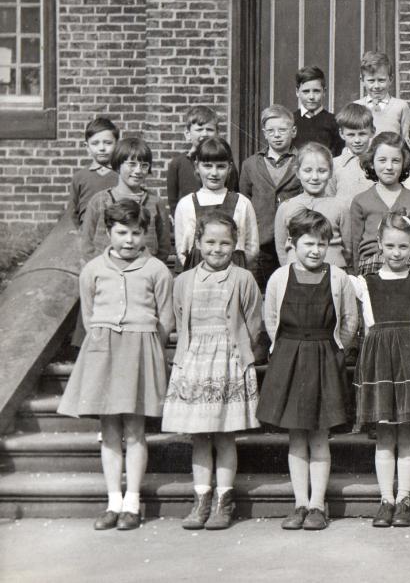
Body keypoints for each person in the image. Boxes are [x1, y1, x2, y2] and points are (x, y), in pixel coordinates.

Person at [58, 199, 174, 531]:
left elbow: (165, 317)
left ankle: (133, 503)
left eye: (137, 233)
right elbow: (90, 314)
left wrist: (148, 346)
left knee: (136, 430)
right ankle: (113, 502)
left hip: (140, 349)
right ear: (108, 231)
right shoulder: (93, 270)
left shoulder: (156, 270)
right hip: (103, 352)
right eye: (122, 232)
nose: (129, 240)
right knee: (108, 430)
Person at [256, 209, 359, 531]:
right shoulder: (279, 277)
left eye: (322, 244)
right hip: (289, 357)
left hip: (324, 358)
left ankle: (318, 504)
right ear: (292, 244)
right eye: (308, 243)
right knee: (296, 437)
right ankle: (300, 502)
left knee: (319, 437)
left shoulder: (339, 278)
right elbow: (271, 319)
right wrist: (287, 349)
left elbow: (349, 321)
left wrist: (334, 349)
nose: (315, 250)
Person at [162, 211, 264, 531]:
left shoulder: (243, 279)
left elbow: (254, 323)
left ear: (235, 245)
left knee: (224, 436)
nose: (217, 248)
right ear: (197, 242)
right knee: (199, 437)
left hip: (229, 361)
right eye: (210, 241)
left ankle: (224, 500)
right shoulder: (184, 281)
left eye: (225, 242)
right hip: (195, 361)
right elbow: (181, 320)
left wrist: (244, 358)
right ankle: (201, 499)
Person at [349, 213, 410, 528]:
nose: (396, 253)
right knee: (385, 435)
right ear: (379, 247)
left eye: (403, 246)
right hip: (379, 361)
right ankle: (386, 498)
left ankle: (404, 498)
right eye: (389, 246)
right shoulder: (364, 283)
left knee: (407, 435)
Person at [345, 131, 410, 275]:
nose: (389, 167)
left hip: (408, 265)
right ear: (371, 161)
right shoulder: (360, 201)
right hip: (371, 267)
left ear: (404, 163)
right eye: (382, 160)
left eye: (395, 161)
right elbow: (355, 244)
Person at [239, 105, 303, 289]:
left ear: (293, 131)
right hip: (262, 242)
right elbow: (245, 201)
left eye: (282, 130)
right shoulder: (250, 165)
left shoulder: (303, 161)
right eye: (271, 131)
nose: (276, 135)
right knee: (262, 291)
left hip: (293, 240)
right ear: (264, 134)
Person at [79, 136, 171, 263]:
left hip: (143, 273)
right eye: (132, 164)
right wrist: (100, 269)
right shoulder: (99, 200)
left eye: (144, 165)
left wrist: (151, 268)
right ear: (118, 165)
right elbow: (87, 244)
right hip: (107, 273)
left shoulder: (155, 203)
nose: (138, 171)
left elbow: (164, 246)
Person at [174, 137, 258, 272]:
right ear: (197, 166)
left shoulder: (242, 203)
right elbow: (182, 249)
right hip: (197, 274)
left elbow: (252, 247)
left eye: (220, 166)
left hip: (233, 273)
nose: (214, 173)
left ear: (229, 168)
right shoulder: (185, 204)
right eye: (207, 166)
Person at [275, 142, 348, 270]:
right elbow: (281, 249)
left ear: (331, 173)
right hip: (297, 276)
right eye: (308, 170)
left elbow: (348, 248)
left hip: (333, 273)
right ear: (297, 173)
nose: (314, 177)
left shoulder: (340, 207)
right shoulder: (286, 207)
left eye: (322, 171)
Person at [166, 105, 238, 215]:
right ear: (187, 134)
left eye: (209, 129)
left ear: (217, 133)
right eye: (199, 129)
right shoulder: (178, 164)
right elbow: (173, 202)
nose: (204, 134)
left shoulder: (224, 163)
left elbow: (233, 193)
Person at [68, 116, 119, 227]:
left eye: (108, 143)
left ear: (117, 144)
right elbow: (73, 211)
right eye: (95, 143)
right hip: (87, 232)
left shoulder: (122, 175)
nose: (102, 148)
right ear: (87, 147)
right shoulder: (79, 177)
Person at [353, 51, 410, 136]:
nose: (376, 86)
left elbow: (407, 141)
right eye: (371, 81)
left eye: (381, 80)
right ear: (362, 80)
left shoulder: (400, 107)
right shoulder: (356, 107)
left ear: (391, 79)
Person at [292, 65, 344, 156]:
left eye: (316, 91)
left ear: (324, 92)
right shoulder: (290, 121)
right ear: (297, 92)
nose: (311, 97)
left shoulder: (335, 122)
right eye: (306, 91)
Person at [329, 103, 376, 202]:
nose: (357, 140)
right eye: (351, 135)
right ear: (342, 134)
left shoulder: (378, 162)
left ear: (372, 131)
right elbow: (328, 201)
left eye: (362, 134)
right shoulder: (333, 165)